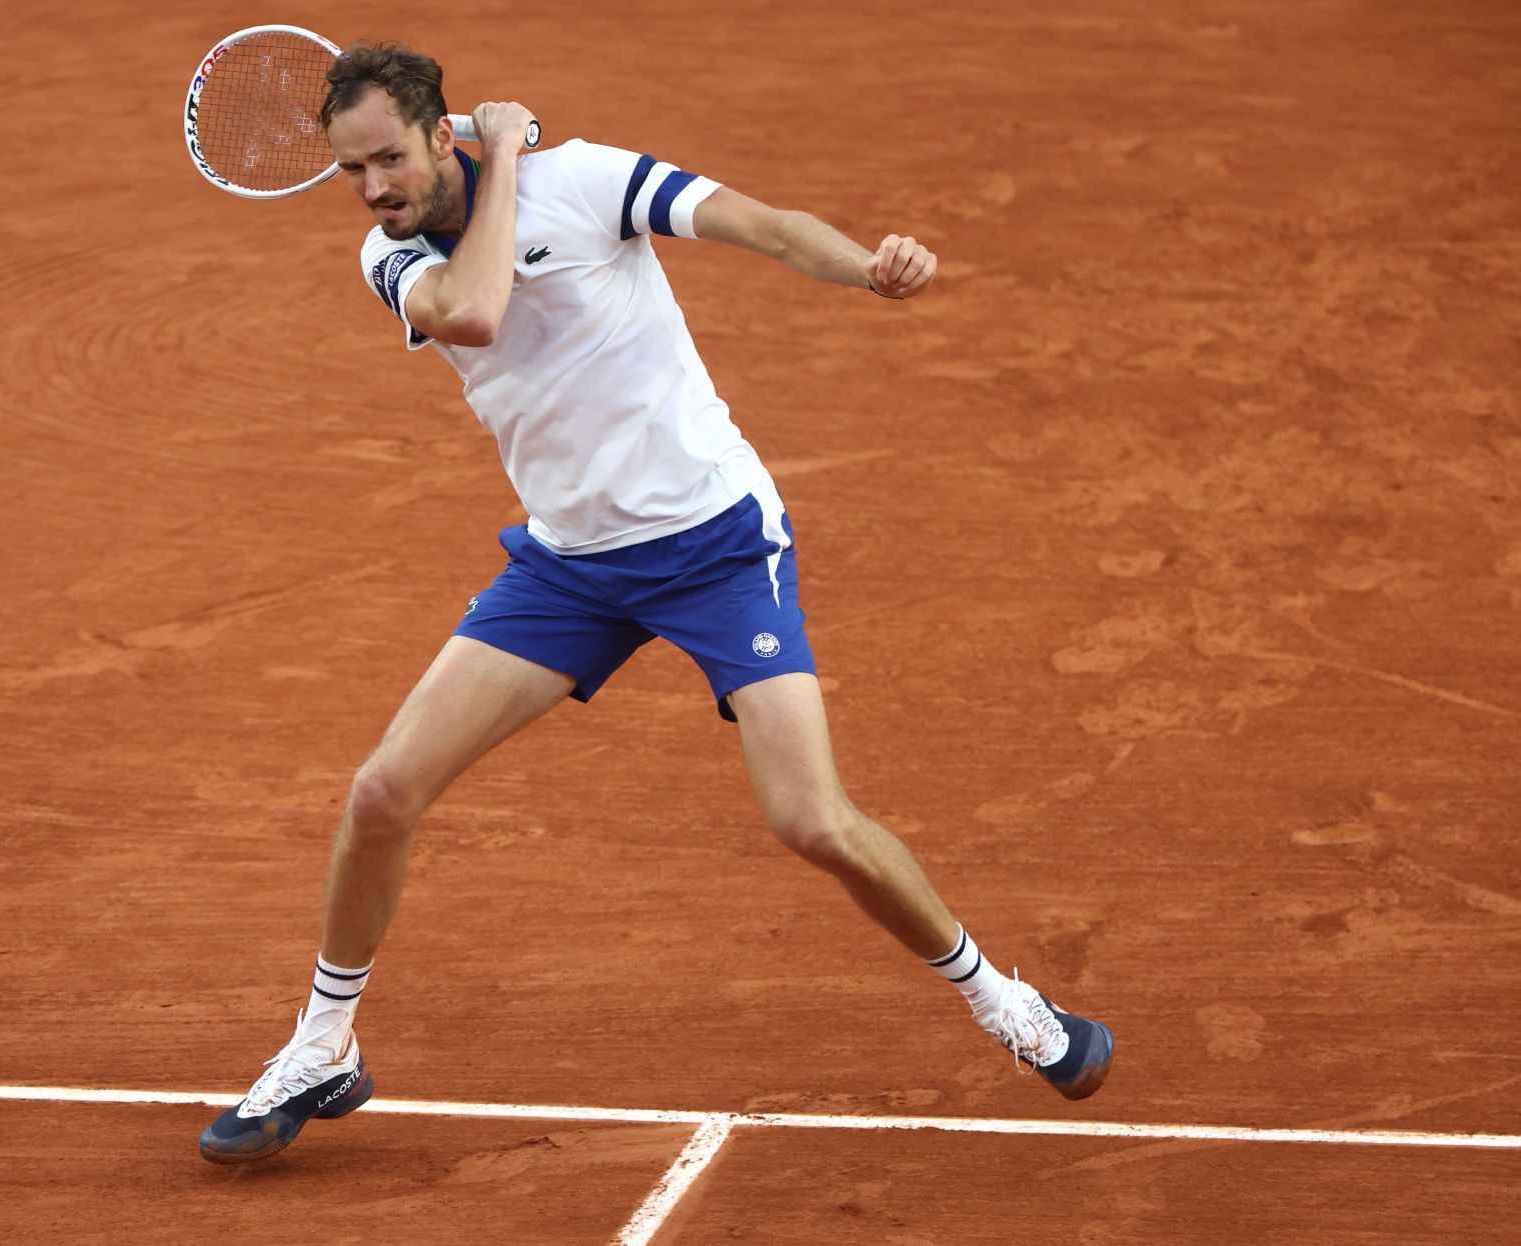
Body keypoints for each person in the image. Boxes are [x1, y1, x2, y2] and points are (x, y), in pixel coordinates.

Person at [199, 42, 1113, 1164]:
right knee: (384, 790)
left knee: (811, 822)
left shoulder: (586, 181)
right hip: (570, 564)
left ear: (441, 133)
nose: (375, 190)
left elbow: (766, 225)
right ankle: (325, 1041)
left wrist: (865, 264)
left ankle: (1007, 1004)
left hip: (715, 547)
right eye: (354, 172)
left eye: (390, 157)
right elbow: (479, 309)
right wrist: (504, 142)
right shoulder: (390, 261)